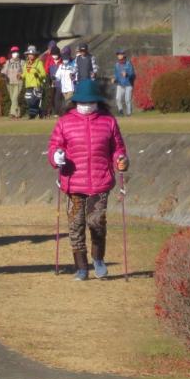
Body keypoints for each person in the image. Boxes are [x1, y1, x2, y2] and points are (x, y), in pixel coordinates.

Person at [47, 79, 128, 281]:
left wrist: (121, 160)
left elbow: (118, 149)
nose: (87, 106)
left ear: (98, 102)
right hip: (73, 183)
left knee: (96, 221)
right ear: (75, 102)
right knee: (76, 224)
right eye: (83, 102)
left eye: (91, 102)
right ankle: (81, 267)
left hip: (100, 182)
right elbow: (54, 147)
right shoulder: (64, 122)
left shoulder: (108, 122)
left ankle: (98, 259)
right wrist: (56, 157)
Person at [22, 45, 46, 120]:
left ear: (35, 55)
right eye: (29, 54)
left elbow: (43, 74)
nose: (30, 56)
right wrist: (20, 76)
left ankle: (32, 115)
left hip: (36, 85)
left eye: (32, 54)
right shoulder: (26, 64)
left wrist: (38, 74)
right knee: (28, 101)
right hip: (28, 85)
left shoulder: (39, 63)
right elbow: (24, 74)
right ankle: (39, 111)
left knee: (33, 100)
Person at [3, 46, 24, 120]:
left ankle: (12, 113)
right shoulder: (8, 62)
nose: (15, 53)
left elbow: (25, 72)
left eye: (16, 52)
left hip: (18, 83)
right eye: (13, 52)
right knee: (13, 99)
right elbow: (4, 72)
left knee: (15, 98)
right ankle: (17, 114)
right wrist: (4, 76)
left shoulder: (22, 62)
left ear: (18, 53)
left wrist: (21, 75)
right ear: (11, 53)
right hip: (9, 83)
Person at [112, 49, 136, 117]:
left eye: (120, 54)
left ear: (123, 55)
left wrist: (127, 74)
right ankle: (121, 111)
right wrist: (114, 79)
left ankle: (129, 114)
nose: (118, 56)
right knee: (118, 99)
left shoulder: (128, 63)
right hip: (120, 84)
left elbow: (132, 74)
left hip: (128, 85)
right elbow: (116, 75)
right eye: (118, 54)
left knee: (127, 100)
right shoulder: (116, 65)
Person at [54, 46, 76, 116]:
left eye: (66, 57)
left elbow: (75, 75)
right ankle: (70, 115)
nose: (64, 59)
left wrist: (73, 76)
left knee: (68, 103)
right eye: (63, 57)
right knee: (68, 103)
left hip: (71, 88)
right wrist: (54, 77)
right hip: (64, 89)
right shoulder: (61, 66)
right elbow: (58, 76)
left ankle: (70, 115)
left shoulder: (73, 65)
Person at [46, 45, 62, 118]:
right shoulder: (50, 61)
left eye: (55, 54)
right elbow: (47, 71)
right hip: (52, 82)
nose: (54, 56)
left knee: (57, 97)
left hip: (60, 83)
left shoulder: (62, 61)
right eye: (53, 54)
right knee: (51, 98)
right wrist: (48, 81)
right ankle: (52, 112)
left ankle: (57, 112)